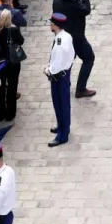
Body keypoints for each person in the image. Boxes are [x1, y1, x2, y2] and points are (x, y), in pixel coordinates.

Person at [50, 0, 96, 99]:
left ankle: (64, 84)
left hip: (62, 34)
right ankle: (81, 89)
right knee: (89, 58)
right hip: (76, 37)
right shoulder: (74, 3)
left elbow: (73, 3)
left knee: (67, 61)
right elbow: (85, 9)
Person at [44, 13, 74, 147]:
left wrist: (47, 70)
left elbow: (56, 65)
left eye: (51, 23)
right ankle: (62, 125)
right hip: (63, 74)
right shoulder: (65, 36)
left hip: (59, 77)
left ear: (56, 26)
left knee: (61, 104)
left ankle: (62, 135)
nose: (50, 25)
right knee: (61, 104)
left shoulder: (60, 44)